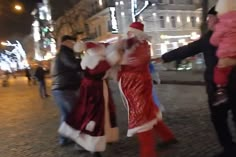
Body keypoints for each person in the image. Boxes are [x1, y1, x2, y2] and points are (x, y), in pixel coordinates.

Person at [160, 6, 236, 157]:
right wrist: (164, 57)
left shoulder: (231, 34)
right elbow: (188, 49)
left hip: (232, 84)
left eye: (209, 19)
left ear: (218, 18)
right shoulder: (208, 38)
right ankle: (228, 149)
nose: (208, 22)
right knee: (218, 119)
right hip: (215, 87)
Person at [117, 22, 176, 157]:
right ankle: (168, 136)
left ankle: (148, 153)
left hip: (135, 85)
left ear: (135, 34)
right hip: (140, 83)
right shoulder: (142, 45)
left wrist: (117, 52)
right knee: (149, 112)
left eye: (130, 32)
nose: (128, 34)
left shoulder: (135, 46)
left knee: (141, 118)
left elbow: (126, 60)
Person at [58, 42, 119, 157]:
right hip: (95, 93)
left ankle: (94, 143)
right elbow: (107, 65)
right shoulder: (96, 61)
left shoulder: (89, 59)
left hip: (93, 91)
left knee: (90, 116)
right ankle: (94, 147)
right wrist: (114, 54)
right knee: (95, 118)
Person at [51, 35, 82, 146]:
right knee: (74, 114)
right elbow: (73, 65)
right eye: (73, 43)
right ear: (67, 42)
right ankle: (77, 140)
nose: (74, 45)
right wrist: (85, 62)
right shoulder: (65, 53)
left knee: (67, 114)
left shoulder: (62, 53)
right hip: (64, 88)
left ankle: (64, 139)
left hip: (61, 88)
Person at [209, 0, 236, 106]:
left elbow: (214, 40)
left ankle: (221, 90)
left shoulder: (222, 25)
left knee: (220, 70)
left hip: (226, 54)